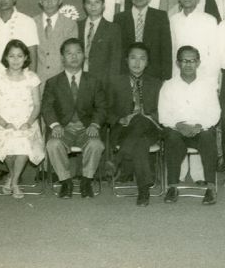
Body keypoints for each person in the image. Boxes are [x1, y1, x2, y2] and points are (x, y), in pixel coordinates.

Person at [43, 38, 106, 199]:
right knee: (53, 144)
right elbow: (47, 107)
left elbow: (101, 107)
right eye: (69, 53)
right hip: (64, 129)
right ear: (62, 58)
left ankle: (86, 181)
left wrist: (94, 124)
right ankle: (66, 182)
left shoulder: (94, 81)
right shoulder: (53, 82)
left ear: (84, 56)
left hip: (87, 128)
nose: (74, 56)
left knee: (96, 144)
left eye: (78, 52)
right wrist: (55, 125)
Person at [159, 46, 220, 205]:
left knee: (208, 137)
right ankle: (172, 187)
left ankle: (211, 188)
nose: (188, 64)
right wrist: (179, 125)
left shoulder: (207, 85)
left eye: (192, 61)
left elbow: (215, 112)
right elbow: (163, 114)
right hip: (176, 130)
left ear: (198, 63)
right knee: (172, 138)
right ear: (178, 63)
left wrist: (199, 125)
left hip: (201, 130)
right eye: (184, 60)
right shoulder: (168, 85)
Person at [106, 42, 162, 206]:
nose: (137, 63)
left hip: (150, 128)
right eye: (133, 58)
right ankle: (143, 191)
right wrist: (120, 119)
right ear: (126, 60)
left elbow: (164, 110)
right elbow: (106, 110)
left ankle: (117, 160)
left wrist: (149, 116)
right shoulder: (115, 82)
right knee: (140, 142)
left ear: (147, 62)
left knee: (139, 119)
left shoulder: (156, 83)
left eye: (142, 58)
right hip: (123, 129)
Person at [0, 39, 45, 199]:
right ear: (6, 57)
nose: (15, 60)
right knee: (9, 142)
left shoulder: (32, 78)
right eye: (11, 56)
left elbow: (37, 105)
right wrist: (4, 123)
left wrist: (29, 122)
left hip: (27, 122)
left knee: (24, 142)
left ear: (26, 57)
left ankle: (13, 181)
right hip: (2, 123)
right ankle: (14, 180)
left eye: (20, 56)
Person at [113, 0, 172, 81]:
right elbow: (117, 51)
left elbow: (166, 49)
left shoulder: (160, 17)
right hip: (126, 75)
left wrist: (166, 78)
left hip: (154, 75)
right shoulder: (119, 18)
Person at [170, 0, 219, 86]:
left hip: (204, 79)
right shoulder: (173, 20)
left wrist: (212, 82)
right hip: (178, 78)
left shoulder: (209, 20)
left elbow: (214, 55)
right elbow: (173, 51)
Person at [33, 0, 77, 89]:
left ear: (60, 1)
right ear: (40, 1)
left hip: (61, 82)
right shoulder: (32, 23)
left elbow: (71, 57)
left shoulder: (70, 25)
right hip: (37, 82)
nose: (49, 2)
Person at [78, 0, 121, 86]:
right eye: (89, 2)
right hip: (79, 79)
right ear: (84, 6)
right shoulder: (77, 26)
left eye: (97, 2)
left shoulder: (113, 29)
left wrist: (111, 85)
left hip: (102, 81)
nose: (93, 6)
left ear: (103, 5)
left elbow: (115, 61)